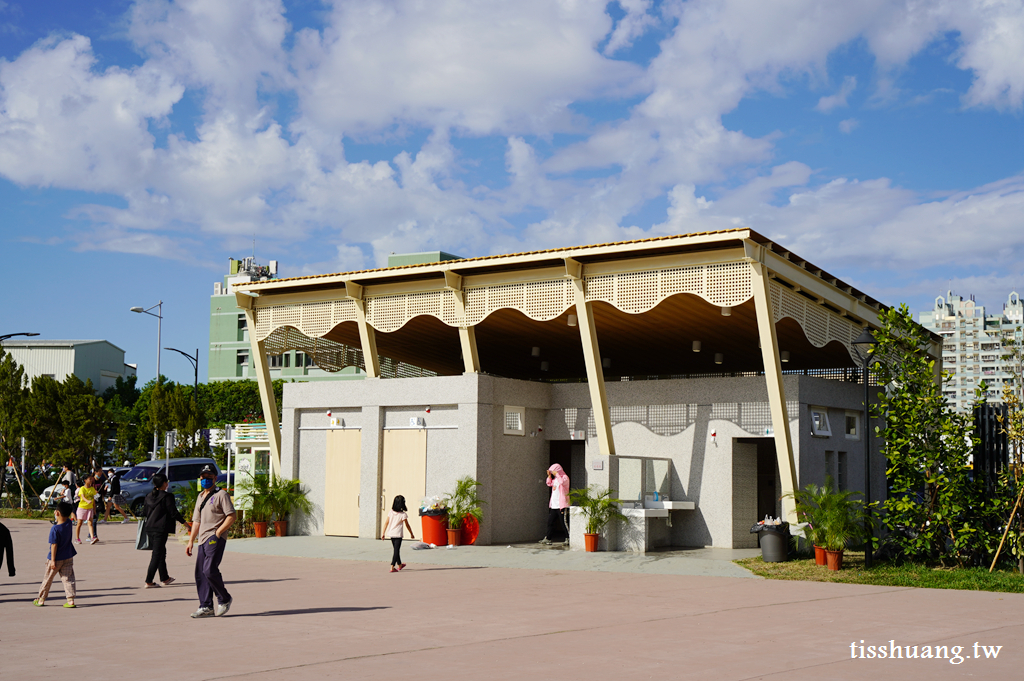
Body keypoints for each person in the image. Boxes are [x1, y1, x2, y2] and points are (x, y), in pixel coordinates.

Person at [185, 465, 235, 618]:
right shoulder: (200, 497)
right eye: (203, 477)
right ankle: (206, 606)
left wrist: (219, 532)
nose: (205, 479)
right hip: (202, 539)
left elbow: (231, 516)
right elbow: (197, 521)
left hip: (215, 537)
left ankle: (224, 598)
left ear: (215, 478)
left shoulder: (222, 495)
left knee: (209, 569)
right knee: (200, 572)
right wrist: (191, 541)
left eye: (209, 477)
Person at [143, 472, 189, 588]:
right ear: (164, 483)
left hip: (149, 527)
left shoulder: (148, 496)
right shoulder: (167, 496)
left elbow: (144, 513)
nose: (167, 483)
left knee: (161, 552)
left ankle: (165, 577)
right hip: (160, 529)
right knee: (157, 554)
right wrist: (185, 524)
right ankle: (149, 581)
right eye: (166, 482)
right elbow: (173, 512)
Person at [33, 501, 77, 607]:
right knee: (68, 578)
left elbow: (54, 545)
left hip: (56, 558)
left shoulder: (55, 529)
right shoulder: (69, 523)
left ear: (57, 513)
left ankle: (41, 599)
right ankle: (70, 600)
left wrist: (52, 560)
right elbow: (70, 516)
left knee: (48, 578)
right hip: (68, 556)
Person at [381, 495, 415, 572]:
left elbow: (386, 523)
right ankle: (392, 566)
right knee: (396, 550)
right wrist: (411, 534)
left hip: (391, 533)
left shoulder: (391, 512)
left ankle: (399, 564)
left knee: (396, 549)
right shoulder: (403, 514)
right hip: (398, 534)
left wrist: (383, 533)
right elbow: (407, 525)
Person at [539, 463, 570, 545]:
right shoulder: (555, 479)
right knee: (550, 522)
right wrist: (549, 476)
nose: (553, 473)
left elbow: (562, 483)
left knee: (564, 522)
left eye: (554, 471)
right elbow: (549, 484)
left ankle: (568, 538)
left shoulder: (565, 478)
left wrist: (558, 475)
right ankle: (548, 538)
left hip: (562, 505)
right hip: (554, 505)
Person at [74, 476, 100, 545]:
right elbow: (82, 497)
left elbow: (94, 499)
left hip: (90, 508)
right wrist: (87, 501)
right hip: (82, 507)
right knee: (79, 523)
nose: (91, 480)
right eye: (89, 479)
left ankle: (92, 538)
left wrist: (94, 509)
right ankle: (77, 538)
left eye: (91, 479)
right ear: (85, 480)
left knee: (90, 523)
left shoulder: (92, 489)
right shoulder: (82, 488)